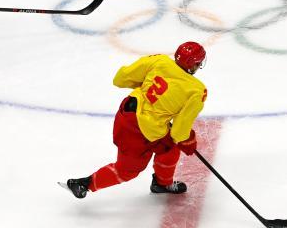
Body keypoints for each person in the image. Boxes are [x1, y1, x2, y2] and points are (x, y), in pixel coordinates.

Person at [60, 42, 208, 199]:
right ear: (194, 65)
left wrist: (147, 87)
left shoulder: (160, 60)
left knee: (169, 148)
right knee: (127, 171)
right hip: (142, 132)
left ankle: (162, 183)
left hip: (126, 114)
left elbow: (120, 78)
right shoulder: (196, 90)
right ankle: (84, 184)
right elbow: (179, 132)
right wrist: (188, 141)